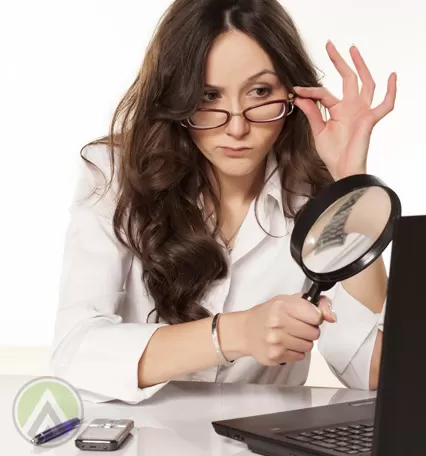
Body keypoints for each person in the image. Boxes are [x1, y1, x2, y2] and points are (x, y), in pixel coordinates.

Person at [50, 0, 397, 405]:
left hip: (261, 440)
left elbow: (373, 371)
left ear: (293, 91)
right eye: (208, 95)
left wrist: (350, 183)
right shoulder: (113, 173)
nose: (236, 126)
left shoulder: (316, 194)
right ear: (175, 97)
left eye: (260, 92)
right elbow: (76, 353)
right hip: (140, 439)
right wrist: (237, 333)